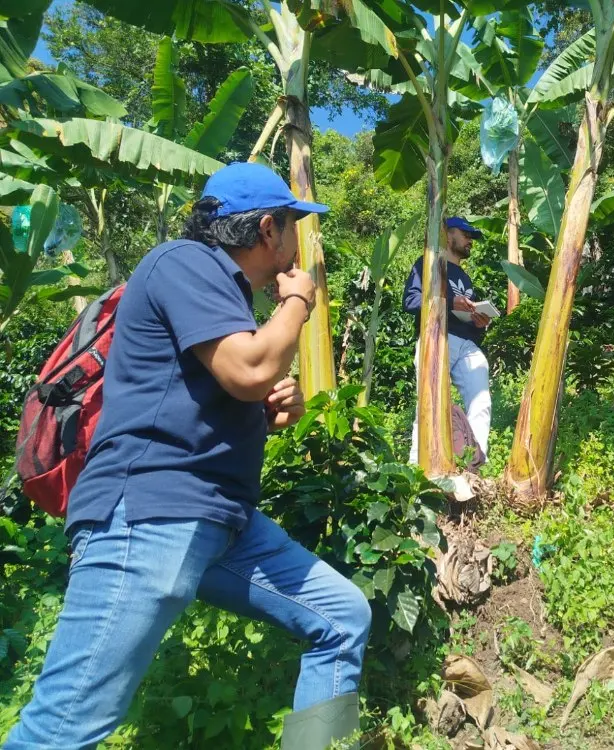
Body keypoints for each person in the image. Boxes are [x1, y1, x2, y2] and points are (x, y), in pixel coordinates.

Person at [2, 163, 371, 750]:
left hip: (218, 519)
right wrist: (299, 301)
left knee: (343, 617)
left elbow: (216, 396)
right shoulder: (184, 262)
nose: (303, 243)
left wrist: (270, 410)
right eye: (297, 226)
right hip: (146, 514)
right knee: (63, 728)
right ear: (270, 230)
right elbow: (249, 368)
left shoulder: (224, 296)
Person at [403, 217, 492, 464]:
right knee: (429, 403)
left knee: (481, 400)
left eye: (471, 237)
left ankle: (473, 463)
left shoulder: (464, 277)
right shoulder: (428, 264)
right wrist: (449, 303)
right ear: (447, 234)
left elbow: (465, 315)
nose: (470, 241)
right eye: (465, 234)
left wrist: (478, 323)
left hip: (467, 344)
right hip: (438, 338)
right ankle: (416, 467)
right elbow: (410, 302)